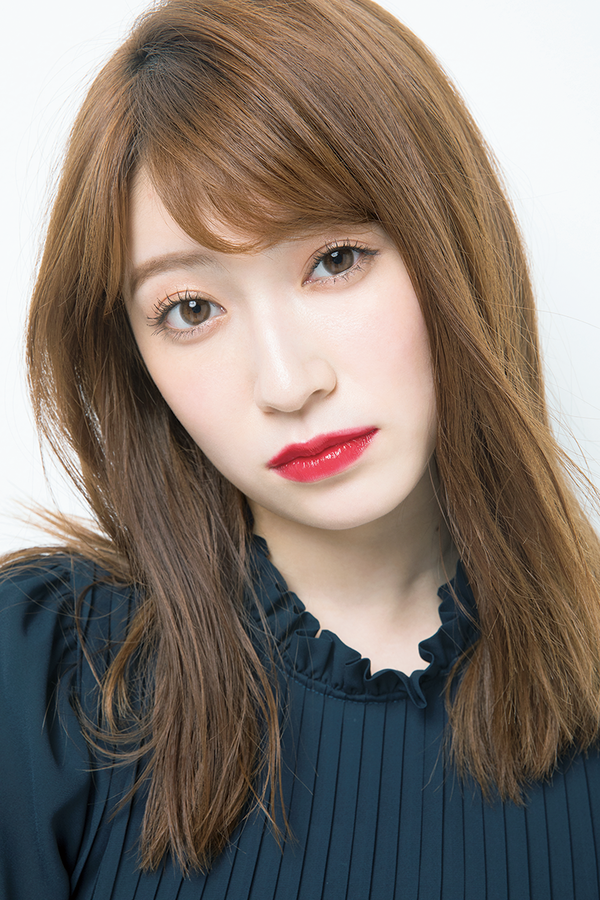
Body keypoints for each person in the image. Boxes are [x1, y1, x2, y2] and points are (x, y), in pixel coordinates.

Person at [1, 0, 599, 896]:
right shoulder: (39, 679)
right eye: (191, 309)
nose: (287, 382)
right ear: (135, 359)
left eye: (336, 260)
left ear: (451, 243)